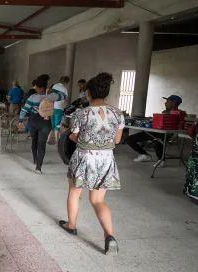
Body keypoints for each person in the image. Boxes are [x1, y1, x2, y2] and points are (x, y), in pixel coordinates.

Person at [59, 73, 123, 255]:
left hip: (84, 157)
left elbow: (74, 137)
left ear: (87, 93)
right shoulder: (118, 114)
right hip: (106, 159)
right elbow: (117, 140)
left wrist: (67, 131)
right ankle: (109, 236)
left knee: (74, 192)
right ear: (106, 94)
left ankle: (71, 225)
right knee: (97, 200)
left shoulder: (81, 113)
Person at [18, 77, 66, 174]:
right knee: (41, 144)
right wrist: (54, 90)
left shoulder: (32, 97)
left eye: (37, 87)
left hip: (33, 121)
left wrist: (20, 120)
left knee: (34, 142)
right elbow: (63, 96)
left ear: (40, 88)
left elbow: (25, 109)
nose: (35, 89)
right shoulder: (52, 96)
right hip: (46, 122)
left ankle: (36, 160)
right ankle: (38, 167)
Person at [126, 95, 186, 168]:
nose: (165, 103)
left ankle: (161, 160)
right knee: (129, 139)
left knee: (157, 141)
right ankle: (144, 154)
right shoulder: (165, 112)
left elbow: (181, 126)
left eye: (167, 101)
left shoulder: (181, 114)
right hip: (154, 132)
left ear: (174, 103)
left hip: (165, 135)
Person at [47, 76, 71, 145]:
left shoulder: (54, 86)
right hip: (59, 108)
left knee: (51, 124)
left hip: (52, 107)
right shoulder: (64, 89)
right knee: (57, 125)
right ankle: (56, 141)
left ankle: (48, 140)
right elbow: (64, 101)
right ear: (66, 82)